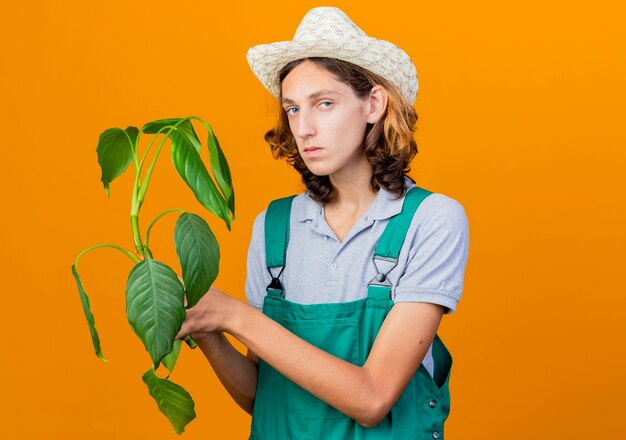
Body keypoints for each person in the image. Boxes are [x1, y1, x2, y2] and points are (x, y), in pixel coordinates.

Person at [176, 6, 469, 439]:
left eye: (324, 103)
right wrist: (208, 329)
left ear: (373, 104)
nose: (304, 128)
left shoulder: (431, 220)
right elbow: (265, 395)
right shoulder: (274, 228)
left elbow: (372, 400)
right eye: (292, 109)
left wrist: (234, 316)